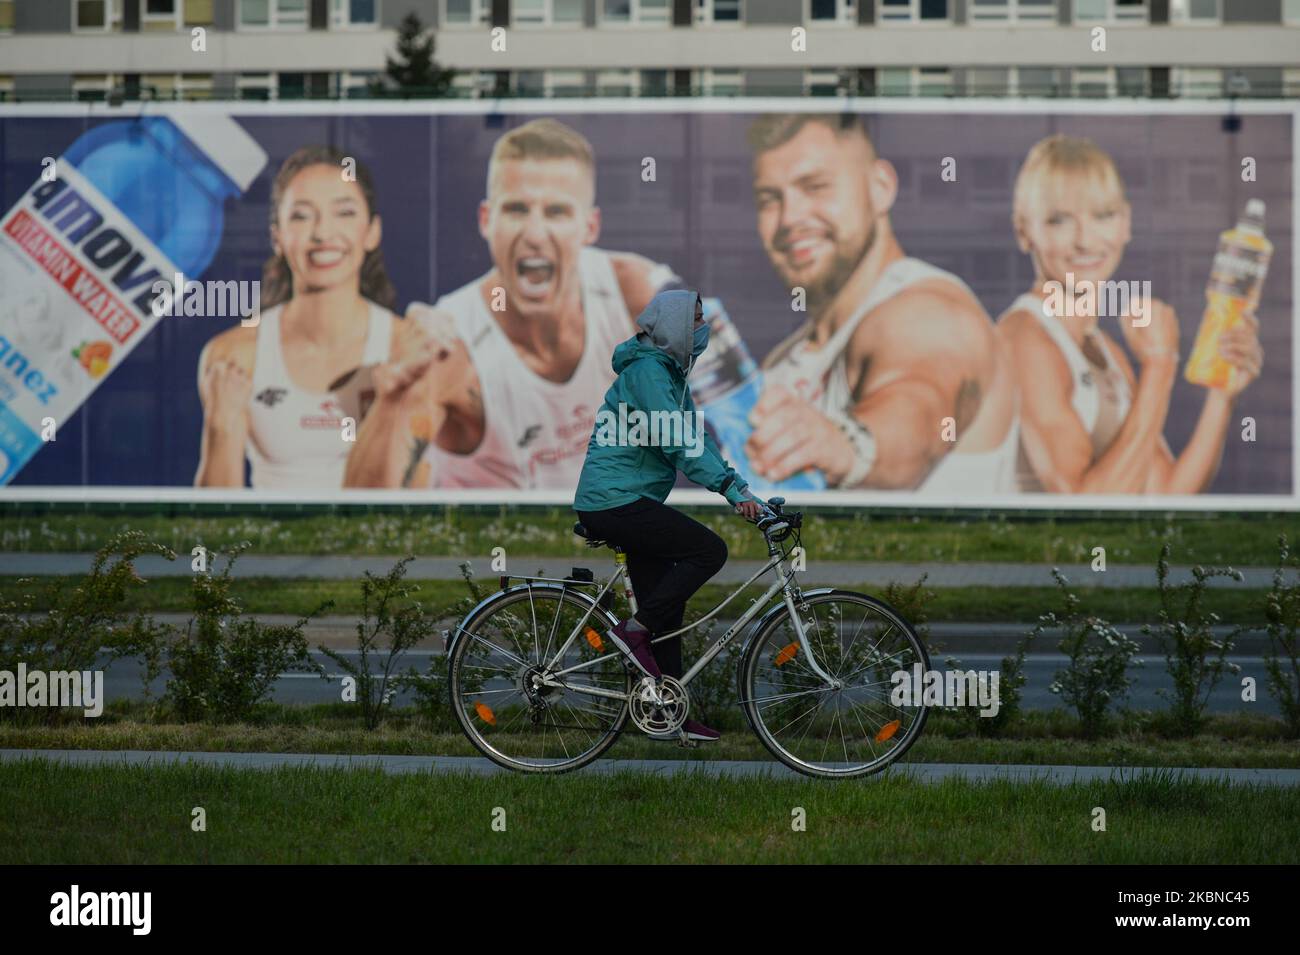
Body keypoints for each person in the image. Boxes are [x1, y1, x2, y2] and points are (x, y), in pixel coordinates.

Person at [343, 118, 676, 490]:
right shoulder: (451, 347)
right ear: (487, 220)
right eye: (516, 209)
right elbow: (362, 511)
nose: (534, 234)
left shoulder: (632, 293)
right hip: (496, 544)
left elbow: (731, 407)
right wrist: (392, 399)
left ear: (590, 227)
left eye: (556, 212)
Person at [743, 113, 1019, 495]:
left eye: (816, 187)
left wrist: (847, 446)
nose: (790, 219)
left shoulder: (927, 312)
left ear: (880, 187)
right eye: (769, 200)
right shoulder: (785, 359)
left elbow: (917, 405)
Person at [997, 134, 1263, 494]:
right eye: (1060, 220)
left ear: (1126, 224)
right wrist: (1159, 366)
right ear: (1023, 231)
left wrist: (1222, 394)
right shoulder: (1025, 340)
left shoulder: (1107, 351)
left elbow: (1166, 493)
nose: (1086, 241)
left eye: (1103, 216)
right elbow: (1082, 506)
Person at [573, 289, 764, 743]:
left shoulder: (669, 375)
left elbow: (695, 438)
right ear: (673, 325)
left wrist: (739, 486)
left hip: (628, 501)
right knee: (708, 550)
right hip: (614, 502)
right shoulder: (647, 372)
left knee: (665, 608)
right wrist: (730, 491)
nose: (703, 329)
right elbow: (678, 442)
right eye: (696, 320)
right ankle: (631, 632)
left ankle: (667, 713)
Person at [195, 145, 400, 488]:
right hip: (267, 543)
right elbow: (213, 522)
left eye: (344, 213)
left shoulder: (405, 351)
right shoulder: (232, 357)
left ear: (372, 231)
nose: (322, 233)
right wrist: (221, 426)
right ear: (277, 236)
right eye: (302, 216)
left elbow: (419, 503)